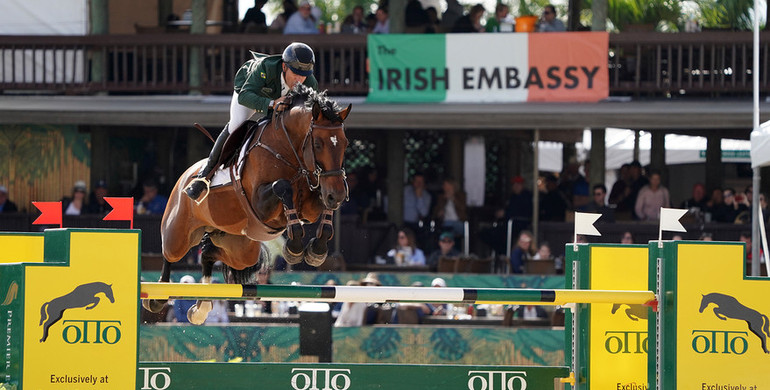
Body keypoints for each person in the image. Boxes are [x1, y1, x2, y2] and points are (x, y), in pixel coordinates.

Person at [184, 42, 318, 200]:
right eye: (295, 73)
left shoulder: (310, 83)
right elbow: (245, 96)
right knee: (236, 124)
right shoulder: (264, 68)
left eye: (303, 75)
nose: (299, 80)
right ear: (284, 67)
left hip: (280, 103)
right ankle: (204, 175)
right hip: (250, 94)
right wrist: (272, 103)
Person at [402, 173, 431, 245]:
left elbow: (424, 213)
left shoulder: (427, 196)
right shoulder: (405, 191)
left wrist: (419, 197)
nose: (419, 184)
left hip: (416, 225)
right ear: (413, 182)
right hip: (402, 222)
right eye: (417, 181)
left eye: (421, 182)